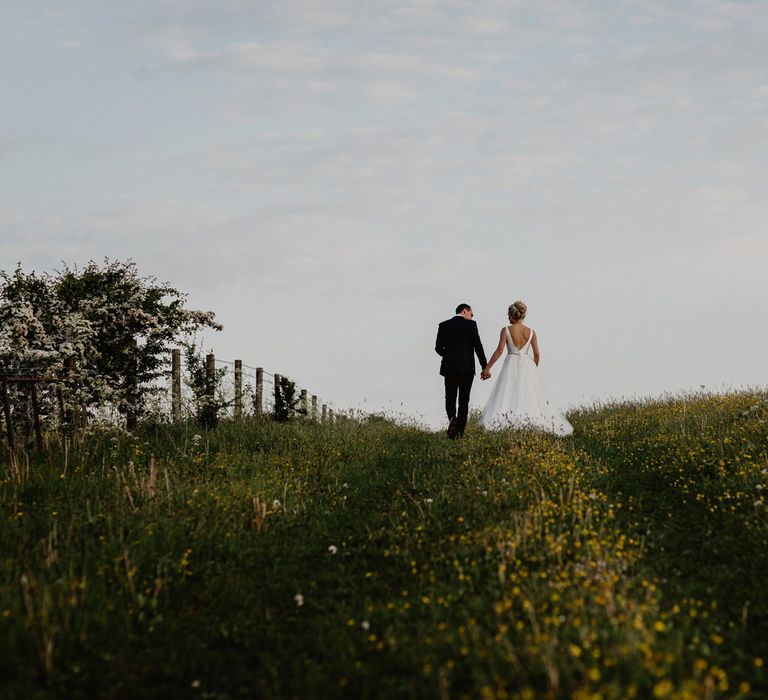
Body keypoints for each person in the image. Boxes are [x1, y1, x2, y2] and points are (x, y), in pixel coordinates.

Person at [480, 300, 573, 436]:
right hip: (527, 365)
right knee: (528, 394)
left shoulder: (506, 330)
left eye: (508, 315)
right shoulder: (531, 332)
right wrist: (533, 369)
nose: (507, 317)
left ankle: (508, 421)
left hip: (511, 362)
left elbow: (500, 350)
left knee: (509, 392)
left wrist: (487, 368)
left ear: (512, 315)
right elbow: (536, 353)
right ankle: (531, 420)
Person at [435, 303, 489, 439]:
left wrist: (448, 355)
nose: (472, 317)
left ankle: (452, 418)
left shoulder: (444, 325)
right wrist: (485, 366)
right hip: (467, 367)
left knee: (450, 397)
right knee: (464, 400)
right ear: (465, 311)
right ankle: (460, 433)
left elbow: (438, 348)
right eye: (471, 314)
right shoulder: (471, 325)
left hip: (450, 367)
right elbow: (478, 347)